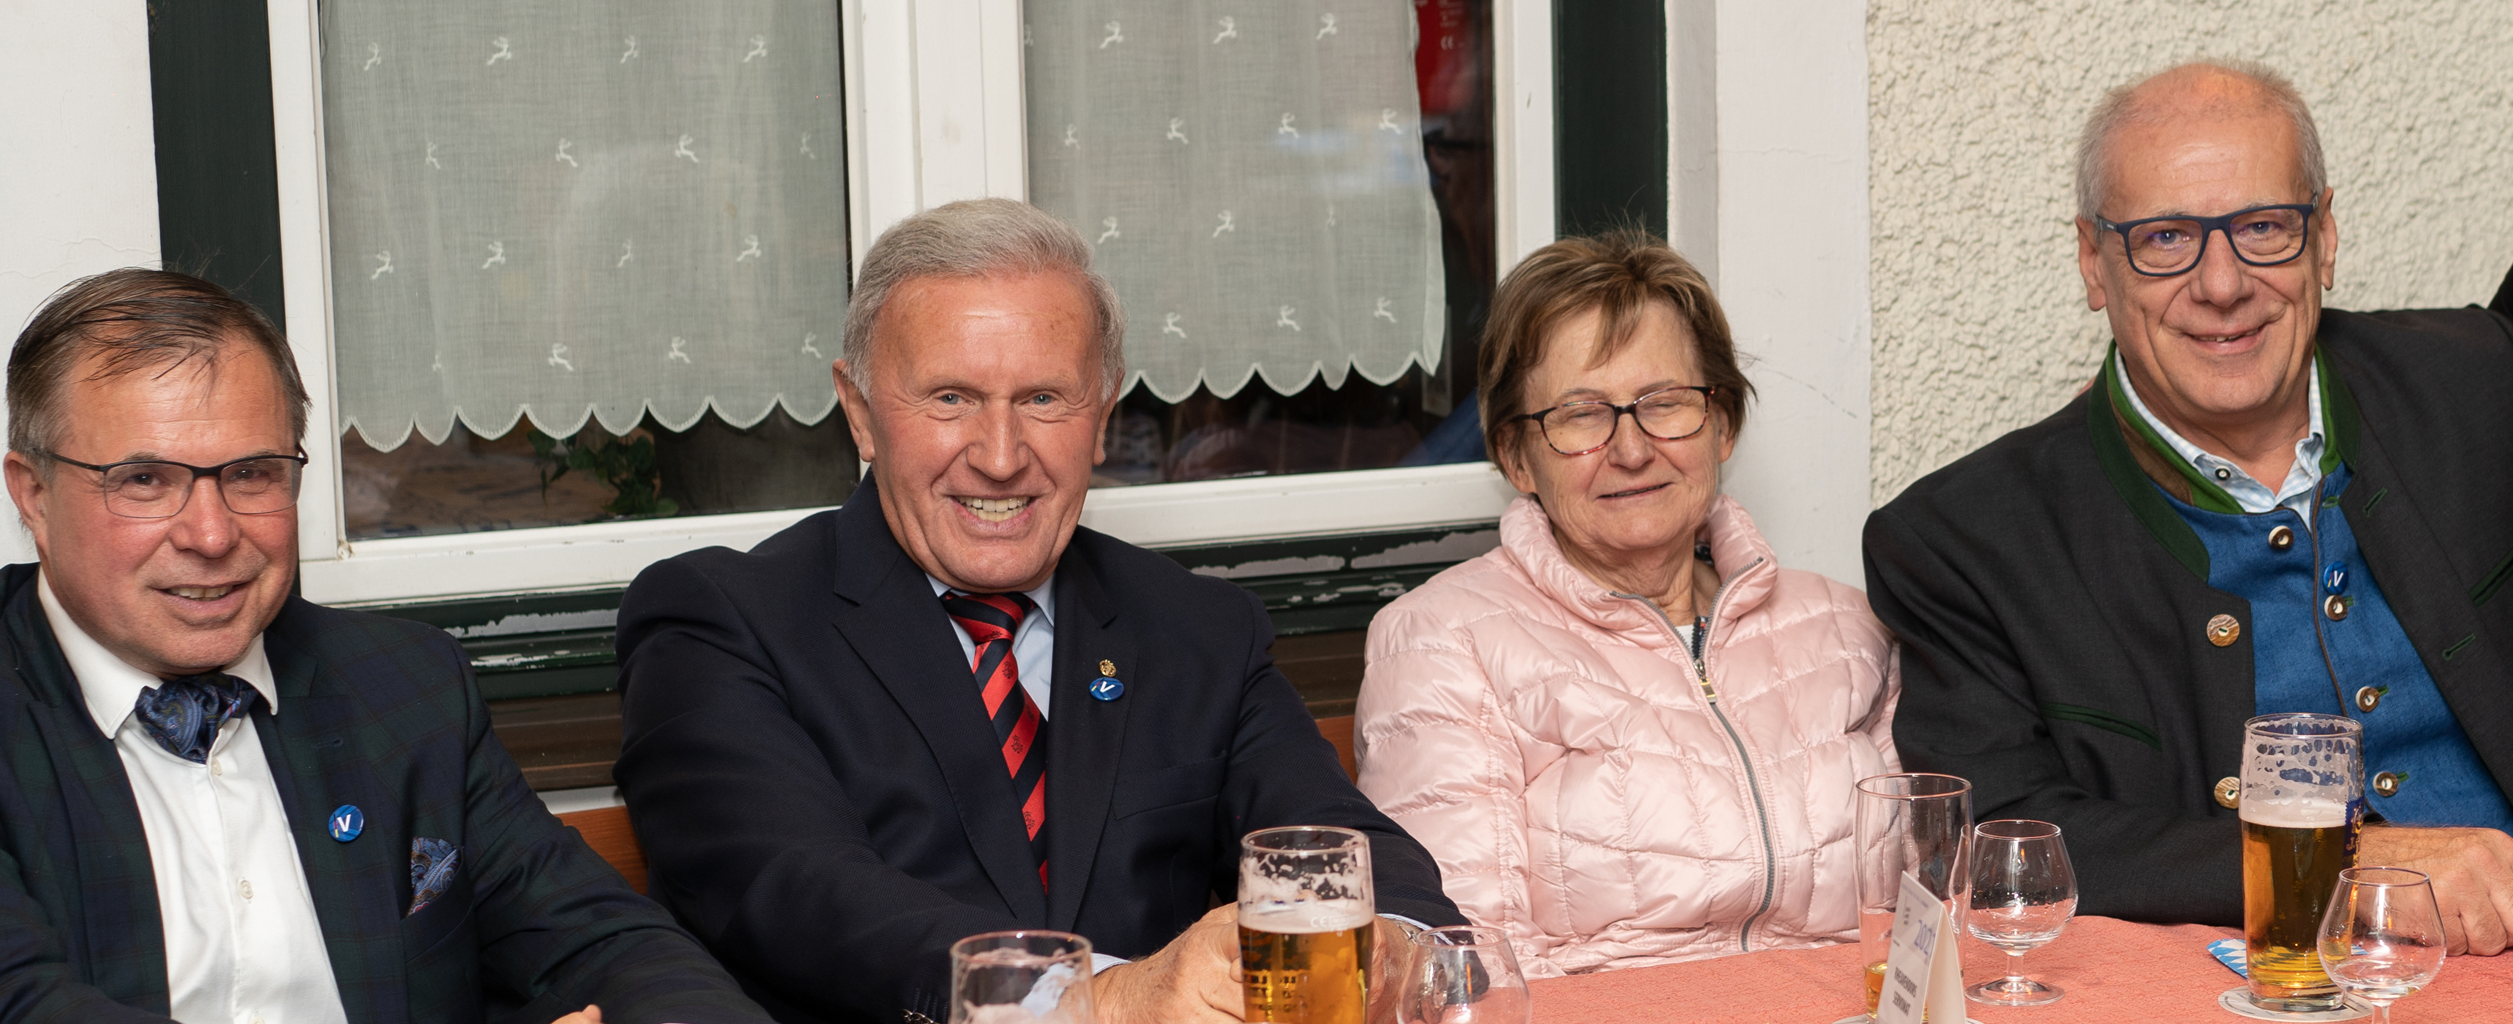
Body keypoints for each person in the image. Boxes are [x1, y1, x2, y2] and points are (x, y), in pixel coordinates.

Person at [612, 198, 1463, 1024]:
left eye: (1045, 400)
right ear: (861, 413)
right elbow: (796, 894)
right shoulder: (720, 622)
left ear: (1102, 416)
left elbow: (1349, 848)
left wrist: (1389, 948)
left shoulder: (1198, 630)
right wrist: (1096, 1000)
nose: (1001, 455)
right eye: (950, 398)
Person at [0, 269, 771, 1024]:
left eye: (252, 474)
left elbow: (599, 938)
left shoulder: (403, 687)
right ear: (32, 493)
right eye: (144, 480)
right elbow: (11, 1006)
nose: (211, 534)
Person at [1864, 59, 2513, 953]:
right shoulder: (1966, 543)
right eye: (2166, 238)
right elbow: (2001, 840)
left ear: (2324, 235)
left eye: (2263, 226)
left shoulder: (2485, 383)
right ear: (2095, 262)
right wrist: (2344, 864)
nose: (2221, 284)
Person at [1353, 229, 1901, 977]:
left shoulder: (1844, 629)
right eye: (1580, 415)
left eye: (1665, 403)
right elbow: (1466, 966)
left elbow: (1922, 916)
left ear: (1723, 423)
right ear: (1516, 455)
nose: (1633, 449)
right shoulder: (1442, 642)